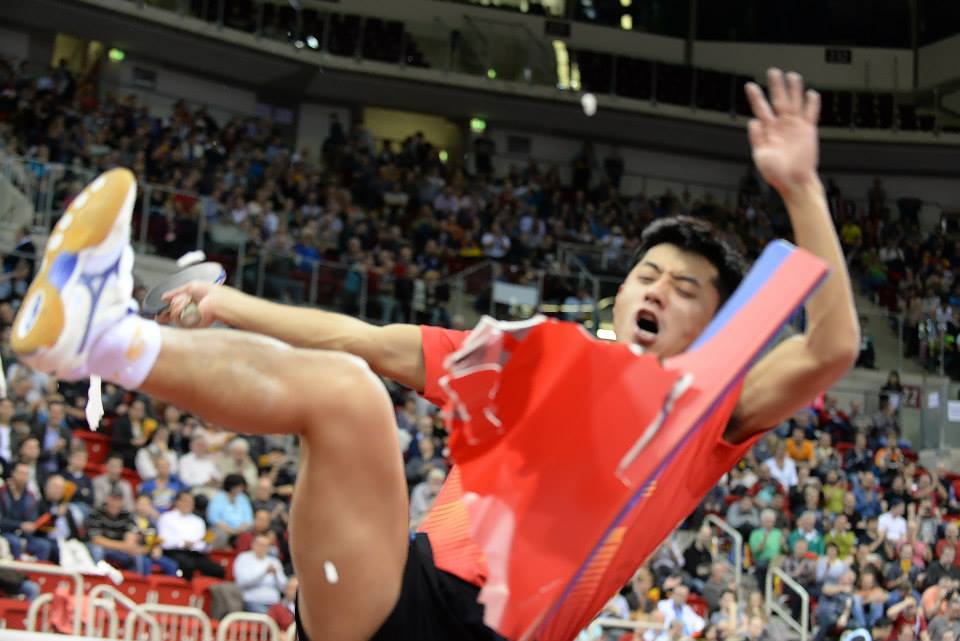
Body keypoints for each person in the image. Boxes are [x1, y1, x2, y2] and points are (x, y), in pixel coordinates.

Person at [12, 68, 859, 641]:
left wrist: (800, 187)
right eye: (649, 274)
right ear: (619, 292)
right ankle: (105, 337)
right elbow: (366, 340)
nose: (658, 291)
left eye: (686, 290)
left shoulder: (711, 407)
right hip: (401, 595)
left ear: (713, 330)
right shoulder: (542, 355)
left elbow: (832, 345)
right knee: (347, 391)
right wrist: (229, 300)